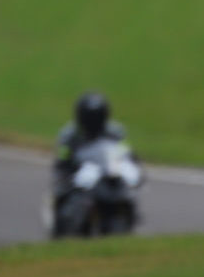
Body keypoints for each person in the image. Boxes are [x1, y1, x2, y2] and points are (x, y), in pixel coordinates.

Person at [52, 91, 139, 236]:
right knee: (63, 197)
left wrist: (132, 166)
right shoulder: (69, 135)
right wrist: (69, 171)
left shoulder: (115, 132)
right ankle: (60, 230)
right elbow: (62, 159)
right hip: (77, 177)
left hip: (105, 174)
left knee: (127, 193)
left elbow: (125, 151)